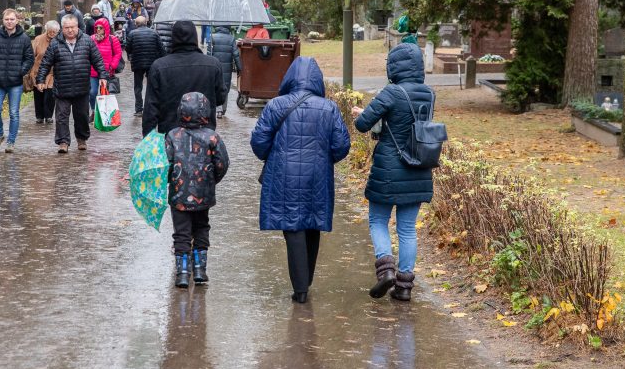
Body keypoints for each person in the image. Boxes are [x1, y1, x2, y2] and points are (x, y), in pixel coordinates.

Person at [250, 57, 350, 303]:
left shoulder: (275, 105)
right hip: (317, 176)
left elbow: (259, 141)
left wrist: (273, 156)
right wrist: (324, 159)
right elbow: (342, 145)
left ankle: (300, 288)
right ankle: (306, 281)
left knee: (292, 226)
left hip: (283, 176)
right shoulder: (329, 108)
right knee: (312, 223)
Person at [351, 43, 435, 302]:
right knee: (408, 228)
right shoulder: (429, 94)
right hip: (419, 167)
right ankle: (404, 287)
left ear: (393, 66)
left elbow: (362, 124)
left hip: (389, 167)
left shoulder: (391, 92)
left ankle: (386, 270)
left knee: (378, 220)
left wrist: (364, 112)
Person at [165, 92, 230, 288]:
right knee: (202, 227)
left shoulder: (172, 136)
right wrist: (211, 181)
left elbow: (166, 163)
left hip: (178, 194)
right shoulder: (212, 137)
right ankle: (200, 270)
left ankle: (183, 273)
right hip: (204, 193)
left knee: (181, 232)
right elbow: (222, 163)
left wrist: (171, 180)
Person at [36, 15, 107, 153]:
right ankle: (63, 142)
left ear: (77, 27)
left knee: (82, 116)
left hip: (82, 87)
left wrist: (103, 76)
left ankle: (81, 139)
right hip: (62, 87)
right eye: (67, 28)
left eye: (72, 27)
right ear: (62, 29)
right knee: (62, 116)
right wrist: (40, 79)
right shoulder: (55, 43)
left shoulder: (87, 41)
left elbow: (97, 60)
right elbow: (45, 63)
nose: (70, 30)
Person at [142, 20, 226, 136]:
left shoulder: (159, 66)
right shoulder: (213, 64)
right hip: (205, 137)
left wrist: (147, 139)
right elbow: (220, 98)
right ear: (195, 38)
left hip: (170, 136)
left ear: (173, 38)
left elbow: (151, 108)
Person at [0, 8, 35, 153]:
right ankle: (0, 135)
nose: (9, 22)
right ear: (3, 21)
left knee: (14, 113)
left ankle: (11, 141)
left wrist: (21, 71)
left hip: (15, 83)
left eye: (12, 19)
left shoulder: (24, 38)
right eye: (7, 19)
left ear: (17, 20)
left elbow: (29, 58)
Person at [124, 15, 165, 115]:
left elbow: (127, 48)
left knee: (138, 87)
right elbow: (161, 48)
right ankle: (150, 108)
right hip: (152, 63)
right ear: (146, 22)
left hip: (138, 63)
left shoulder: (132, 34)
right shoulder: (154, 33)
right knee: (151, 85)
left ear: (136, 24)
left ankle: (139, 109)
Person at [24, 20, 59, 124]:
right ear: (46, 30)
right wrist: (28, 70)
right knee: (39, 94)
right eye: (50, 31)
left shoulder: (59, 40)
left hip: (52, 72)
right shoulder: (39, 39)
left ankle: (48, 116)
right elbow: (31, 54)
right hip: (38, 71)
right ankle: (39, 116)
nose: (52, 34)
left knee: (50, 94)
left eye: (54, 32)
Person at [88, 18, 122, 114]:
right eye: (97, 27)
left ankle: (104, 113)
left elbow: (118, 53)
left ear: (105, 28)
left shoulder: (113, 39)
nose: (98, 29)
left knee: (105, 94)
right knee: (92, 92)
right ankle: (94, 111)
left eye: (101, 27)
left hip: (107, 71)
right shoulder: (91, 39)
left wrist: (113, 65)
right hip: (93, 71)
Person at [207, 26, 241, 117]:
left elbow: (208, 54)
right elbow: (236, 54)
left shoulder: (212, 37)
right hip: (227, 68)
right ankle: (222, 109)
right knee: (225, 87)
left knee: (214, 86)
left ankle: (217, 109)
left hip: (214, 67)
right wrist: (239, 68)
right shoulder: (231, 38)